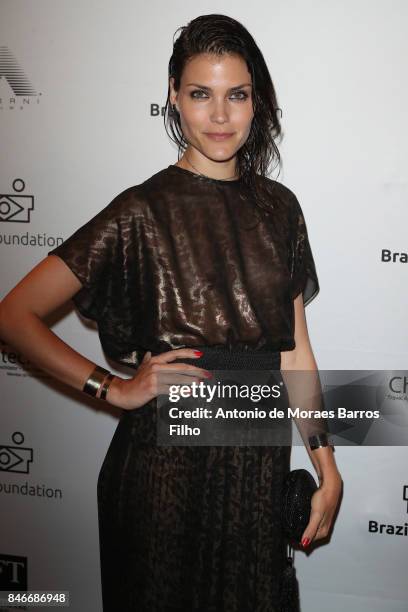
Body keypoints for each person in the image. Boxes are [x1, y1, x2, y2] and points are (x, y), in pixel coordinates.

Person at [0, 13, 342, 612]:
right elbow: (13, 315)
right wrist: (112, 388)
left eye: (236, 95)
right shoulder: (141, 211)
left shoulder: (280, 210)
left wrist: (326, 461)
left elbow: (294, 352)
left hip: (256, 473)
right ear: (174, 100)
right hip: (163, 477)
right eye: (200, 94)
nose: (218, 116)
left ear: (255, 102)